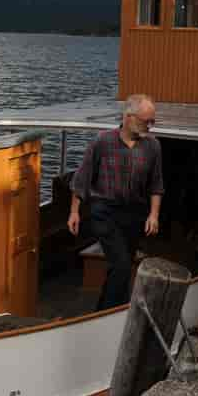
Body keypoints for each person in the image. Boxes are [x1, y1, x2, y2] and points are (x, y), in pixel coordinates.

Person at [67, 94, 164, 310]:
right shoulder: (102, 141)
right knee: (120, 264)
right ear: (129, 117)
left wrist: (154, 215)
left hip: (135, 214)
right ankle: (110, 313)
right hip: (105, 213)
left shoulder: (153, 146)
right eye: (146, 121)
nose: (150, 126)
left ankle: (107, 310)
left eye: (152, 121)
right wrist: (74, 212)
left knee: (122, 265)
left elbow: (156, 184)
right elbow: (82, 179)